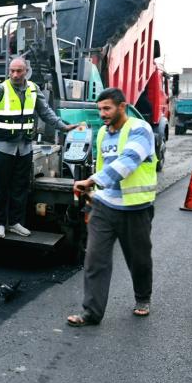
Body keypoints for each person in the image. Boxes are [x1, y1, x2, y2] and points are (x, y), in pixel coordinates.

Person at [67, 88, 157, 327]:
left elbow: (128, 161)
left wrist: (93, 181)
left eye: (107, 108)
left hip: (135, 208)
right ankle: (91, 313)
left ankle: (142, 298)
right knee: (95, 260)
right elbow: (102, 165)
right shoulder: (102, 135)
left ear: (122, 107)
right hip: (104, 206)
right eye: (100, 110)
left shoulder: (139, 129)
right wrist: (92, 192)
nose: (102, 114)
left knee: (138, 259)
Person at [0, 57, 77, 238]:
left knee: (20, 187)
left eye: (19, 71)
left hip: (25, 147)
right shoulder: (2, 88)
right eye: (12, 71)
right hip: (2, 148)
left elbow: (46, 112)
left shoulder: (33, 89)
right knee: (0, 187)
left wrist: (62, 126)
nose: (15, 74)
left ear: (26, 71)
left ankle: (15, 223)